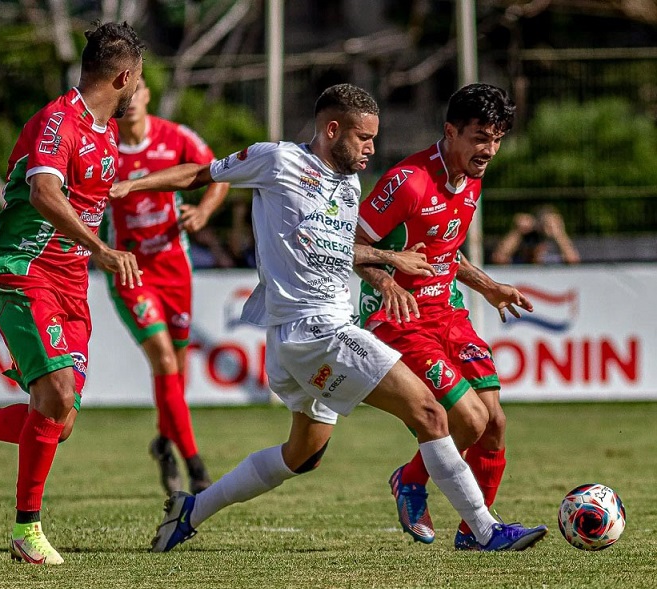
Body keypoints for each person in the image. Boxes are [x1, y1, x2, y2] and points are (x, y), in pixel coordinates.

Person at [110, 83, 548, 553]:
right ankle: (484, 530)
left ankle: (191, 511)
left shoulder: (348, 181)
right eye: (364, 138)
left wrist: (390, 259)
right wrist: (133, 184)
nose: (372, 149)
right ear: (332, 129)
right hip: (316, 329)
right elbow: (201, 173)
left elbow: (331, 246)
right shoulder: (278, 161)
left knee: (302, 454)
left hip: (301, 338)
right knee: (430, 412)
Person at [0, 21, 145, 565]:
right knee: (59, 394)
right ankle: (27, 530)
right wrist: (101, 247)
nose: (138, 92)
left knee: (58, 419)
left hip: (72, 287)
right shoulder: (58, 121)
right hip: (23, 272)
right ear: (123, 76)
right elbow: (45, 193)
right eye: (137, 81)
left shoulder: (107, 133)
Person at [355, 83, 536, 551]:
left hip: (449, 312)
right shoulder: (408, 181)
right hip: (402, 319)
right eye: (480, 137)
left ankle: (472, 536)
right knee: (470, 420)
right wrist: (389, 281)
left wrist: (489, 287)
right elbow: (348, 246)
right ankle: (413, 483)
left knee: (494, 422)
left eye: (496, 139)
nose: (489, 150)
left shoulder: (472, 179)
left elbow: (446, 254)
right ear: (450, 131)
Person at [107, 75, 230, 495]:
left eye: (138, 90)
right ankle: (195, 466)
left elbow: (220, 174)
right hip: (130, 270)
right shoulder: (102, 144)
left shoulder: (175, 137)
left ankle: (163, 443)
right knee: (162, 360)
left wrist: (205, 211)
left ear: (146, 95)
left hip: (174, 267)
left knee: (176, 371)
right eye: (126, 93)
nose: (133, 99)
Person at [491, 205, 580, 265]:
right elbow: (499, 258)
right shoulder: (526, 237)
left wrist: (559, 233)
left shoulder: (556, 242)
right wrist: (517, 231)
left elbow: (573, 260)